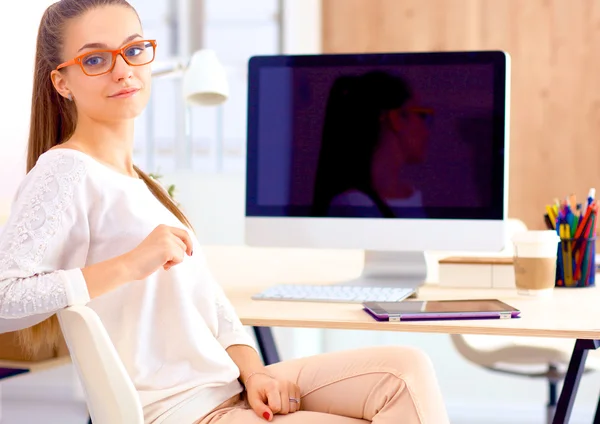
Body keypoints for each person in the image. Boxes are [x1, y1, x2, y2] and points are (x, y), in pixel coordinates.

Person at [0, 1, 451, 423]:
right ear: (62, 81)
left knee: (405, 371)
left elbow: (214, 306)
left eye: (134, 50)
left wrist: (255, 374)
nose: (123, 71)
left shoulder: (141, 183)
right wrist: (127, 265)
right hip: (184, 409)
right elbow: (6, 299)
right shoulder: (65, 170)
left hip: (225, 386)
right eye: (95, 60)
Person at [311, 71, 433, 218]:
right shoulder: (354, 205)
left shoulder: (410, 196)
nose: (426, 131)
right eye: (421, 115)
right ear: (396, 118)